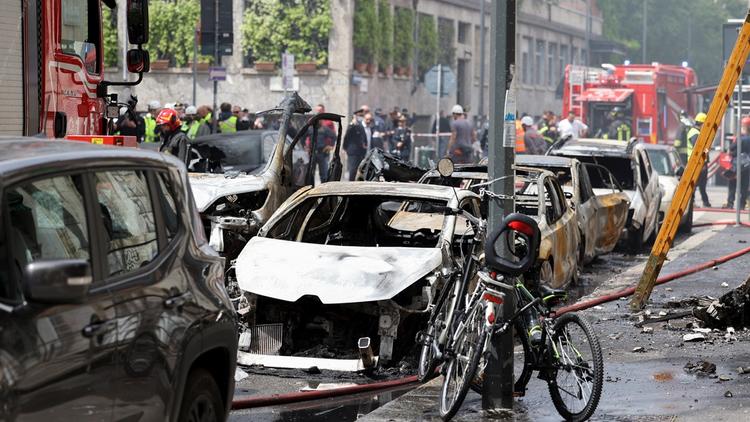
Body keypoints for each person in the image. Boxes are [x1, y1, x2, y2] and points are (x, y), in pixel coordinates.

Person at [307, 104, 337, 182]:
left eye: (320, 111)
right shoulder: (310, 127)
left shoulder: (327, 124)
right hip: (312, 153)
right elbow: (305, 138)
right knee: (310, 174)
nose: (318, 113)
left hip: (323, 153)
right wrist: (306, 147)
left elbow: (333, 136)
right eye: (317, 111)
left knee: (324, 174)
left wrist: (330, 146)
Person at [688, 112, 712, 208]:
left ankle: (705, 202)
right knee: (696, 184)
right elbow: (698, 149)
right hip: (697, 163)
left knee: (701, 185)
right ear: (702, 123)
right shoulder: (695, 134)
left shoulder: (695, 132)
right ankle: (693, 202)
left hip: (698, 162)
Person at [727, 116, 750, 210]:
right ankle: (742, 205)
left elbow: (732, 149)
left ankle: (730, 203)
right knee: (744, 186)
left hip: (737, 165)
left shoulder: (740, 138)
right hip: (747, 165)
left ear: (745, 127)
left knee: (732, 184)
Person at [343, 111, 372, 180]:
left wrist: (364, 144)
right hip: (353, 152)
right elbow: (347, 136)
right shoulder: (352, 126)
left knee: (362, 170)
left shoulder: (362, 126)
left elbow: (363, 137)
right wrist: (344, 148)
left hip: (362, 151)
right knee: (353, 170)